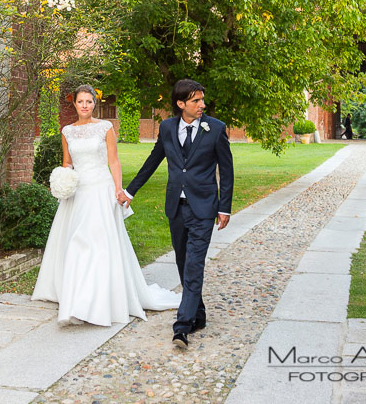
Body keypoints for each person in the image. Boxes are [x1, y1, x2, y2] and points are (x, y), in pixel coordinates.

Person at [32, 85, 181, 326]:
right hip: (78, 194)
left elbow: (114, 160)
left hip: (101, 190)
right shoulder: (67, 131)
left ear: (94, 104)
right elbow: (67, 162)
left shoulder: (105, 128)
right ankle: (76, 300)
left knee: (97, 245)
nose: (84, 106)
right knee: (76, 244)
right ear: (75, 104)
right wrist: (63, 179)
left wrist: (118, 188)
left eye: (89, 102)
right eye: (80, 101)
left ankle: (98, 301)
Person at [118, 79, 233, 349]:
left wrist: (224, 207)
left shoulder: (215, 129)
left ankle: (182, 327)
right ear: (181, 104)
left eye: (202, 100)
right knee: (183, 262)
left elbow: (226, 171)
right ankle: (199, 314)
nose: (202, 105)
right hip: (176, 208)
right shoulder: (168, 128)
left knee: (194, 265)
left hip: (204, 208)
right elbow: (153, 160)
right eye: (196, 101)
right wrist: (130, 191)